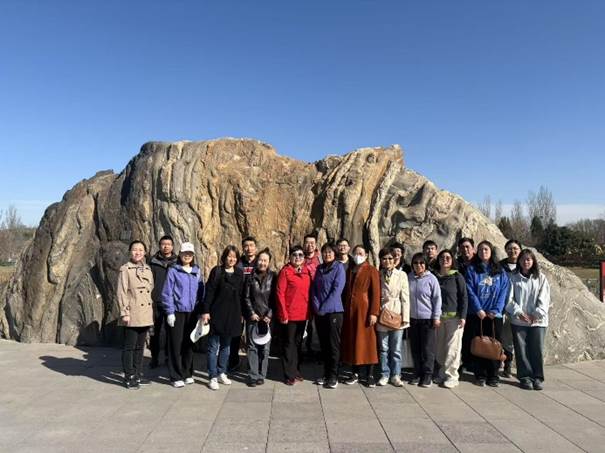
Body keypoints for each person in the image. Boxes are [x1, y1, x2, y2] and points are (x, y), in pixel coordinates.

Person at [465, 240, 510, 387]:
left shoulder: (500, 271)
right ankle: (480, 374)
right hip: (477, 314)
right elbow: (470, 290)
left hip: (494, 315)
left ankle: (493, 375)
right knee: (479, 345)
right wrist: (478, 309)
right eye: (481, 250)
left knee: (494, 345)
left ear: (491, 252)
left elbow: (504, 291)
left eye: (486, 249)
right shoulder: (472, 270)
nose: (483, 252)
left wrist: (496, 310)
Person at [161, 242, 204, 388]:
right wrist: (170, 312)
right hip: (177, 312)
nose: (187, 256)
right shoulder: (174, 270)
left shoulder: (196, 271)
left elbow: (201, 292)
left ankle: (187, 373)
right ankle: (175, 375)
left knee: (189, 343)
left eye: (190, 253)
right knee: (175, 344)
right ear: (180, 254)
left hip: (192, 313)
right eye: (185, 253)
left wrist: (200, 311)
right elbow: (167, 292)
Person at [201, 245, 245, 390]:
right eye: (229, 256)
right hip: (217, 313)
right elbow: (209, 292)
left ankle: (222, 372)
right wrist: (206, 311)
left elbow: (241, 295)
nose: (231, 259)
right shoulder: (217, 271)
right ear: (224, 257)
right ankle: (212, 376)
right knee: (213, 346)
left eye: (234, 257)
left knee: (226, 346)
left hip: (233, 314)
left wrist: (241, 313)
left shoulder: (239, 273)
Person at [506, 249, 551, 391]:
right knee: (521, 350)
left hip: (537, 321)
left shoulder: (541, 278)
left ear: (533, 261)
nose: (526, 262)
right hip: (519, 320)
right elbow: (509, 299)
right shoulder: (513, 277)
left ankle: (537, 377)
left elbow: (544, 299)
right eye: (523, 259)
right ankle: (525, 377)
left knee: (537, 349)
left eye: (529, 259)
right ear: (519, 261)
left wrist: (536, 314)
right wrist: (518, 312)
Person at [341, 245, 381, 387]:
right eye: (356, 253)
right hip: (351, 312)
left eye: (361, 253)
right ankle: (355, 373)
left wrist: (374, 312)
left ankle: (370, 374)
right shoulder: (350, 270)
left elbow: (376, 293)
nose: (358, 255)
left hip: (365, 310)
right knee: (354, 342)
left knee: (368, 342)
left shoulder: (371, 270)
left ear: (366, 255)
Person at [117, 240, 154, 389]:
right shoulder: (125, 269)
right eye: (134, 249)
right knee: (129, 347)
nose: (137, 252)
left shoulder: (148, 269)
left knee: (140, 347)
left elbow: (150, 289)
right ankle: (129, 376)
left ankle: (138, 374)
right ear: (130, 252)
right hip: (132, 313)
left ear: (144, 252)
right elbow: (121, 292)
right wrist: (124, 312)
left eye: (140, 250)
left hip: (145, 313)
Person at [276, 245, 312, 385]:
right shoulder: (285, 271)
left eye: (300, 255)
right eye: (295, 255)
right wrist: (283, 313)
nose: (298, 257)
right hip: (289, 315)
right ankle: (288, 374)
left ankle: (296, 370)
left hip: (303, 314)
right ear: (290, 257)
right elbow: (280, 293)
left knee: (298, 343)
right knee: (289, 343)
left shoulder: (306, 272)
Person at [311, 243, 346, 389]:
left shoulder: (339, 268)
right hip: (320, 312)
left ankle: (333, 376)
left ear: (335, 253)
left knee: (333, 346)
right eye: (325, 252)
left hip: (334, 312)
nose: (327, 254)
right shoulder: (319, 268)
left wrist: (324, 308)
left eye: (330, 252)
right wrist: (316, 306)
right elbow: (314, 289)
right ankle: (326, 373)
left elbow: (337, 290)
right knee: (324, 345)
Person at [376, 247, 410, 387]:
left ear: (395, 259)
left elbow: (405, 297)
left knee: (396, 349)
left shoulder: (401, 275)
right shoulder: (378, 274)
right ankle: (384, 374)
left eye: (390, 258)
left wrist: (405, 317)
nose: (387, 261)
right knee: (383, 348)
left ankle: (396, 374)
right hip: (382, 313)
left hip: (397, 313)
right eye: (384, 258)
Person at [434, 250, 468, 388]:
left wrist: (463, 316)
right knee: (440, 348)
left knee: (453, 348)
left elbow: (464, 297)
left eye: (448, 257)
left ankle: (452, 376)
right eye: (442, 257)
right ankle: (442, 373)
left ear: (452, 260)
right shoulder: (434, 276)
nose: (445, 259)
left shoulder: (457, 276)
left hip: (455, 318)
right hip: (439, 318)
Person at [242, 248, 276, 387]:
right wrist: (251, 313)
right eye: (260, 260)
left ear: (269, 262)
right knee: (252, 347)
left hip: (267, 318)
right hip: (253, 317)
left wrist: (269, 314)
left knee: (265, 348)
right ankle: (253, 375)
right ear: (257, 261)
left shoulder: (274, 277)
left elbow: (275, 298)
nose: (262, 263)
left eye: (265, 260)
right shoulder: (250, 276)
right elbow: (246, 297)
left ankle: (262, 375)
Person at [408, 253, 442, 387]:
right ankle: (417, 373)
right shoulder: (409, 277)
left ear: (425, 264)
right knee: (415, 349)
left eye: (421, 263)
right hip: (413, 319)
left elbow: (437, 299)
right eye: (415, 263)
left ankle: (428, 375)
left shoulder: (431, 279)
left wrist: (436, 317)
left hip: (427, 319)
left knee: (427, 349)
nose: (418, 265)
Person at [229, 236, 258, 372]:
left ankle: (253, 365)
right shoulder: (238, 264)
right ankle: (233, 362)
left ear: (255, 248)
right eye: (246, 246)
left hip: (255, 306)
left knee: (254, 337)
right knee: (235, 335)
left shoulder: (260, 262)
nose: (249, 248)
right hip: (239, 305)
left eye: (251, 245)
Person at [148, 235, 177, 369]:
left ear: (172, 246)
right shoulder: (152, 261)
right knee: (155, 332)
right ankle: (154, 357)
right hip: (156, 301)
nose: (166, 247)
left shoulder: (177, 262)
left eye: (168, 244)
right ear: (159, 246)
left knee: (172, 332)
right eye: (163, 244)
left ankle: (168, 357)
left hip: (172, 302)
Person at [499, 239, 522, 378]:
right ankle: (506, 364)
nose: (512, 251)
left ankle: (519, 366)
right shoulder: (500, 266)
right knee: (505, 337)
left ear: (520, 250)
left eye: (515, 248)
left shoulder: (524, 265)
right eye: (509, 248)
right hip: (503, 306)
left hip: (520, 307)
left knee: (518, 339)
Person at [456, 237, 476, 372]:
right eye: (462, 247)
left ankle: (476, 363)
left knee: (476, 335)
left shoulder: (479, 262)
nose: (465, 249)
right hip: (461, 303)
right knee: (464, 336)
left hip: (477, 304)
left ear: (473, 248)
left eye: (467, 247)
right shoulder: (456, 264)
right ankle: (465, 361)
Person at [303, 233, 321, 356]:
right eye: (307, 243)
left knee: (316, 326)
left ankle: (315, 352)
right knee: (304, 326)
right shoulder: (299, 257)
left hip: (317, 297)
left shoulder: (321, 258)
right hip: (303, 298)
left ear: (316, 245)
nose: (310, 245)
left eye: (312, 243)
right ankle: (303, 350)